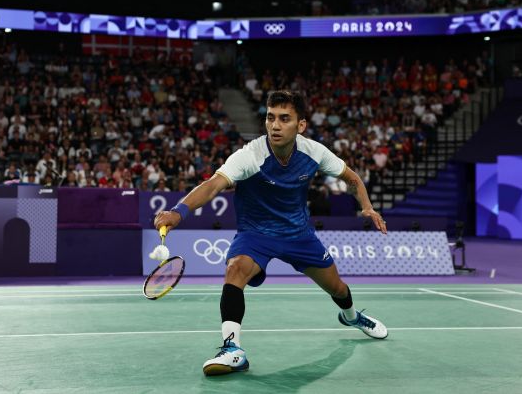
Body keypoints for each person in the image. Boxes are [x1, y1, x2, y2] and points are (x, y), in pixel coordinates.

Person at [154, 90, 388, 377]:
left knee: (337, 288)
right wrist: (179, 211)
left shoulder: (314, 152)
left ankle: (351, 317)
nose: (275, 125)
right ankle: (232, 348)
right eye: (270, 118)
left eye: (284, 119)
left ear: (300, 125)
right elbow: (214, 184)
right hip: (256, 233)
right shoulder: (250, 155)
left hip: (298, 234)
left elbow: (351, 178)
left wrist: (367, 207)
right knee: (235, 269)